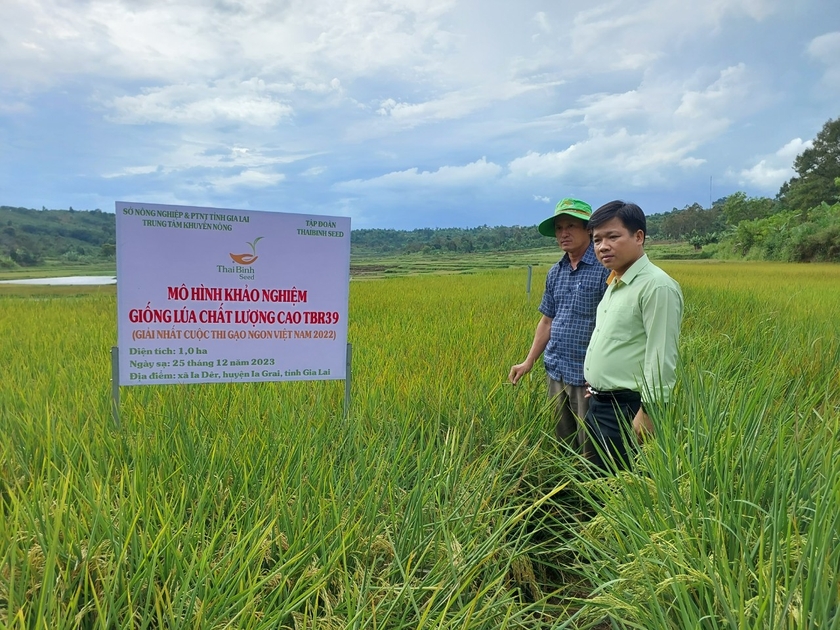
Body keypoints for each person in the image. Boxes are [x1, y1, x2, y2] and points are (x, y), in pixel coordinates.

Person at [583, 200, 683, 472]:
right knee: (598, 481)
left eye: (613, 236)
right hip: (600, 404)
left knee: (621, 489)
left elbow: (661, 357)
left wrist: (649, 414)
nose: (603, 246)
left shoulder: (656, 286)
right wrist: (599, 386)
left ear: (638, 237)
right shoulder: (616, 282)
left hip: (629, 411)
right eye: (597, 239)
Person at [509, 198, 610, 451]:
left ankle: (593, 490)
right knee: (562, 443)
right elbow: (547, 320)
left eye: (571, 226)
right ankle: (564, 489)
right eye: (559, 228)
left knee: (591, 446)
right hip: (557, 371)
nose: (563, 233)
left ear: (588, 229)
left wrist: (603, 375)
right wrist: (528, 361)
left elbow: (615, 326)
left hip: (589, 377)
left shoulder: (604, 269)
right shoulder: (556, 271)